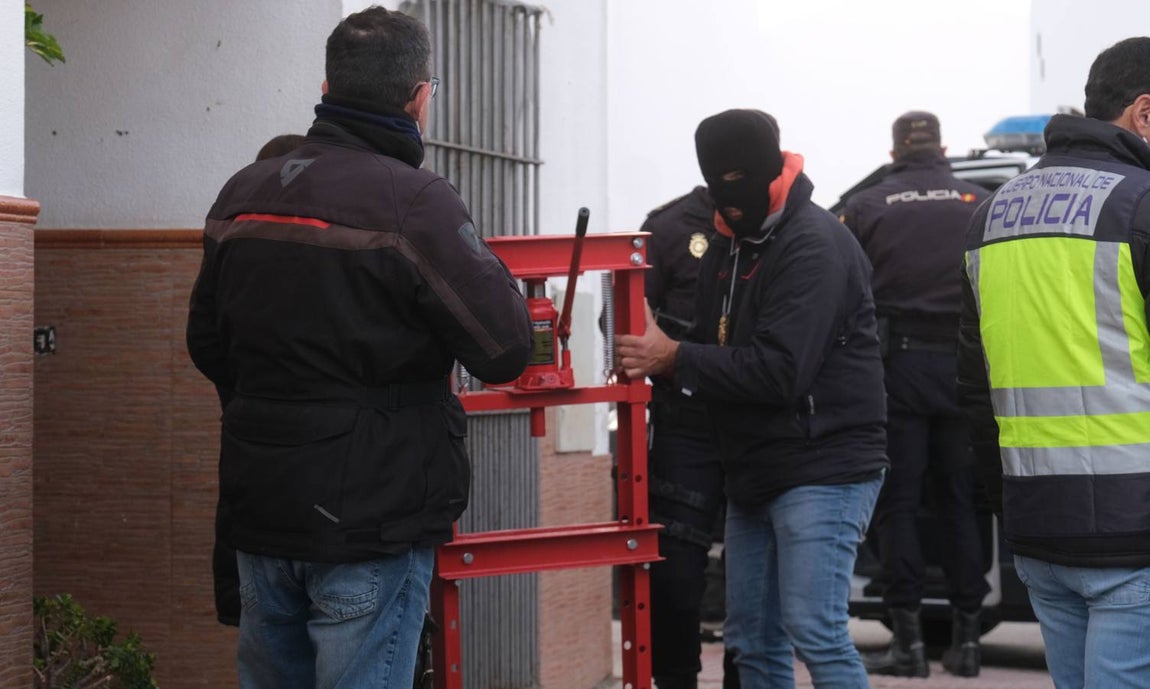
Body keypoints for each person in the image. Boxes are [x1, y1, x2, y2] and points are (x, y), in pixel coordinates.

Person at [186, 7, 533, 689]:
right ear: (419, 97)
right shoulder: (415, 202)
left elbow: (206, 343)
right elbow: (505, 349)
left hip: (261, 507)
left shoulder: (243, 192)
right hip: (370, 518)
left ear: (327, 87)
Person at [617, 108, 887, 689]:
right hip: (754, 468)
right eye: (716, 186)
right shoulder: (729, 240)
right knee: (752, 644)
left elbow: (780, 371)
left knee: (815, 631)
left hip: (824, 466)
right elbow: (716, 345)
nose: (729, 200)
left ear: (772, 171)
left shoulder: (814, 244)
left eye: (739, 183)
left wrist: (671, 356)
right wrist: (656, 351)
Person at [957, 36, 1150, 689]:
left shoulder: (992, 214)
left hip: (1039, 526)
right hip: (1135, 533)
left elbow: (974, 388)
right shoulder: (1141, 204)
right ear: (1144, 113)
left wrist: (1011, 505)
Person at [841, 111, 990, 678]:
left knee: (898, 502)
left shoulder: (868, 206)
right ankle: (968, 643)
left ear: (895, 151)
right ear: (943, 149)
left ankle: (908, 645)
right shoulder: (980, 203)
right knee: (959, 502)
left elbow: (844, 289)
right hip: (963, 369)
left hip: (895, 369)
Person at [210, 133, 308, 629]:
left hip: (251, 479)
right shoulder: (324, 260)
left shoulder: (236, 241)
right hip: (327, 504)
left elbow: (204, 341)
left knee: (268, 646)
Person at [640, 185, 728, 689]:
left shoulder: (786, 228)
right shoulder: (669, 227)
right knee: (674, 574)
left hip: (759, 423)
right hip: (684, 423)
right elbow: (622, 319)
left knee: (758, 578)